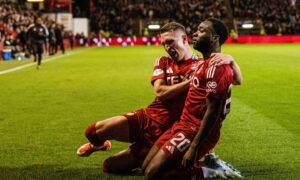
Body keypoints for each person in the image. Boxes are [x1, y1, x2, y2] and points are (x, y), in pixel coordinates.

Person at [76, 22, 242, 174]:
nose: (166, 47)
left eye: (170, 42)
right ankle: (100, 145)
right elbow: (160, 92)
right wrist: (189, 82)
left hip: (169, 129)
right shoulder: (163, 61)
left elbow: (218, 96)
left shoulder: (202, 64)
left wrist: (231, 58)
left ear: (184, 39)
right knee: (91, 132)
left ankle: (144, 159)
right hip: (148, 118)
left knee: (109, 167)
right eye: (163, 44)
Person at [143, 18, 242, 180]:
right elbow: (238, 80)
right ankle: (205, 166)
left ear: (214, 38)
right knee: (146, 167)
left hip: (194, 129)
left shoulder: (216, 67)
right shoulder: (205, 61)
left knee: (153, 175)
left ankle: (213, 172)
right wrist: (231, 59)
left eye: (201, 30)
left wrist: (194, 147)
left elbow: (213, 111)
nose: (195, 33)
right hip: (183, 124)